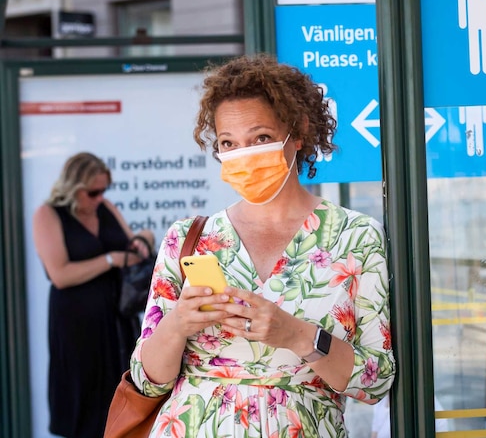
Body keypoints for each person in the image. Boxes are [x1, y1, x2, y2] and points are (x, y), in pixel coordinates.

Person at [129, 54, 395, 437]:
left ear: (298, 131)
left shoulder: (356, 236)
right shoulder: (189, 238)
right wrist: (177, 325)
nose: (244, 155)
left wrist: (296, 335)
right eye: (228, 143)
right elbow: (146, 379)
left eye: (261, 138)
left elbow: (375, 382)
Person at [32, 152, 154, 438]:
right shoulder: (48, 215)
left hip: (117, 318)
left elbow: (131, 242)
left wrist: (143, 240)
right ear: (73, 187)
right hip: (76, 322)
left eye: (103, 190)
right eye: (93, 192)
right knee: (82, 394)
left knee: (121, 393)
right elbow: (60, 274)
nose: (99, 197)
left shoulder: (105, 207)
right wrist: (110, 259)